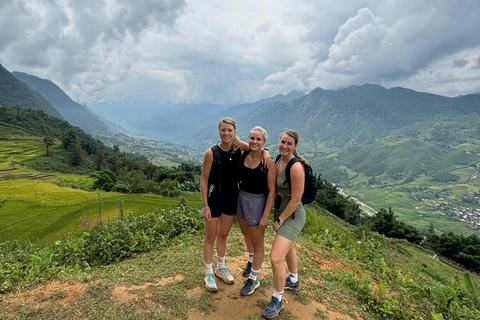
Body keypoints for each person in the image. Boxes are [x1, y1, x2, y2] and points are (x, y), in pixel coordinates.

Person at [200, 117, 270, 292]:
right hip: (214, 198)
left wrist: (267, 153)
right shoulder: (211, 152)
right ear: (219, 131)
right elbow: (204, 179)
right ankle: (208, 272)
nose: (226, 133)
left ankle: (220, 267)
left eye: (229, 130)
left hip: (232, 197)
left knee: (223, 235)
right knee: (210, 237)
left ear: (234, 132)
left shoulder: (239, 148)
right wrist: (205, 205)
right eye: (223, 130)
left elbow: (258, 148)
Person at [262, 130, 306, 319]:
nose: (285, 146)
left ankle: (277, 299)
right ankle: (294, 280)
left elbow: (296, 200)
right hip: (281, 209)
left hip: (293, 214)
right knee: (288, 247)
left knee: (275, 257)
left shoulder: (296, 167)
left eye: (289, 143)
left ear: (295, 146)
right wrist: (264, 151)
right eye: (282, 142)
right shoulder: (279, 160)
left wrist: (280, 220)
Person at [236, 127, 276, 296]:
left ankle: (254, 278)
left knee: (258, 243)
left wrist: (266, 215)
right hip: (242, 198)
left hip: (257, 202)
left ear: (264, 142)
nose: (254, 141)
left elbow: (272, 192)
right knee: (246, 234)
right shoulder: (244, 153)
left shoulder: (268, 163)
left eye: (258, 139)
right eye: (252, 138)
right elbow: (232, 139)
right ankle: (251, 261)